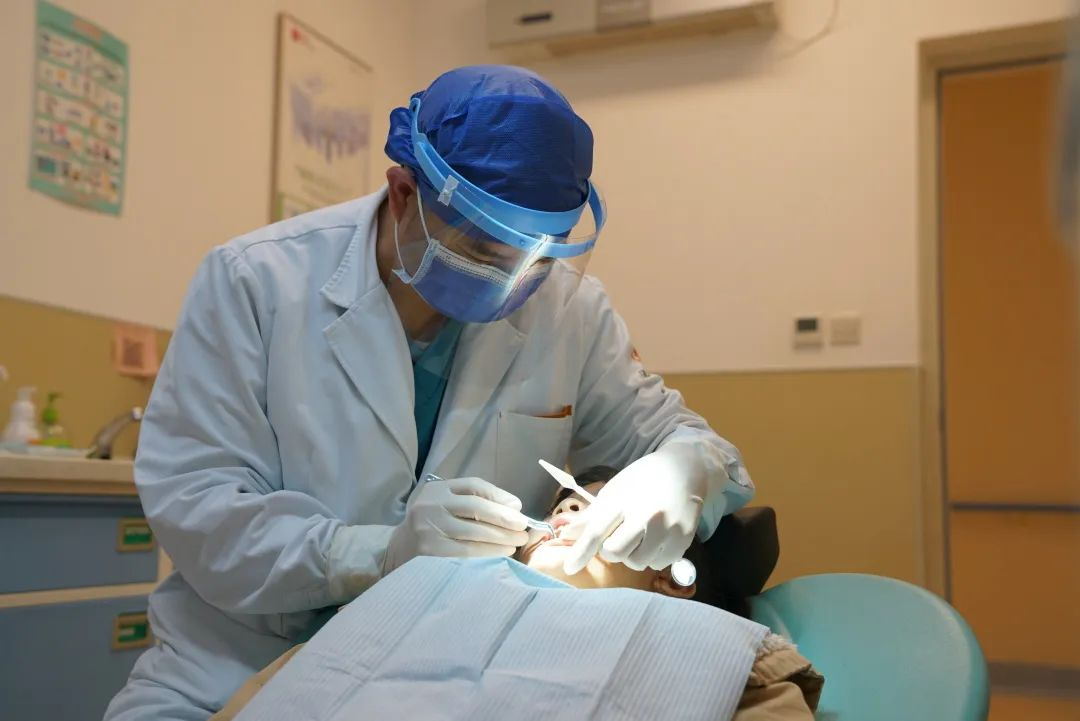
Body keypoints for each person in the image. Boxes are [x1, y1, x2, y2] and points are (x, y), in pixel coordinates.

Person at [105, 65, 754, 720]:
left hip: (442, 683)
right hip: (233, 673)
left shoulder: (571, 312)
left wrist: (685, 471)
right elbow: (199, 509)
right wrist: (378, 554)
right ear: (403, 193)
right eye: (483, 250)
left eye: (539, 256)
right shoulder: (255, 282)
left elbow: (696, 446)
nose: (514, 280)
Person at [210, 467, 821, 721]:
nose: (566, 514)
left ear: (669, 574)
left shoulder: (716, 645)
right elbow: (288, 691)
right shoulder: (426, 588)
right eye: (563, 505)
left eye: (595, 510)